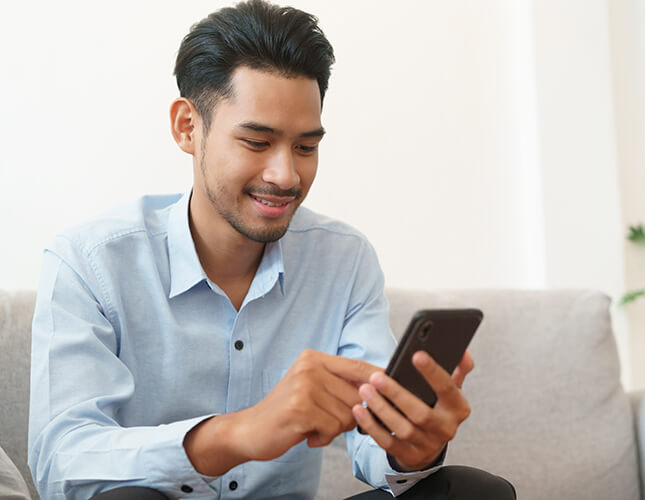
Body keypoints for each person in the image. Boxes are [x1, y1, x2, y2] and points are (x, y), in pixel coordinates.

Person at [28, 1, 516, 499]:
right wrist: (238, 432)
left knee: (472, 491)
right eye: (257, 142)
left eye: (305, 147)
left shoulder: (343, 260)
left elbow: (374, 437)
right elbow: (61, 460)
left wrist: (409, 448)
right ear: (187, 127)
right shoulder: (89, 261)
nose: (286, 176)